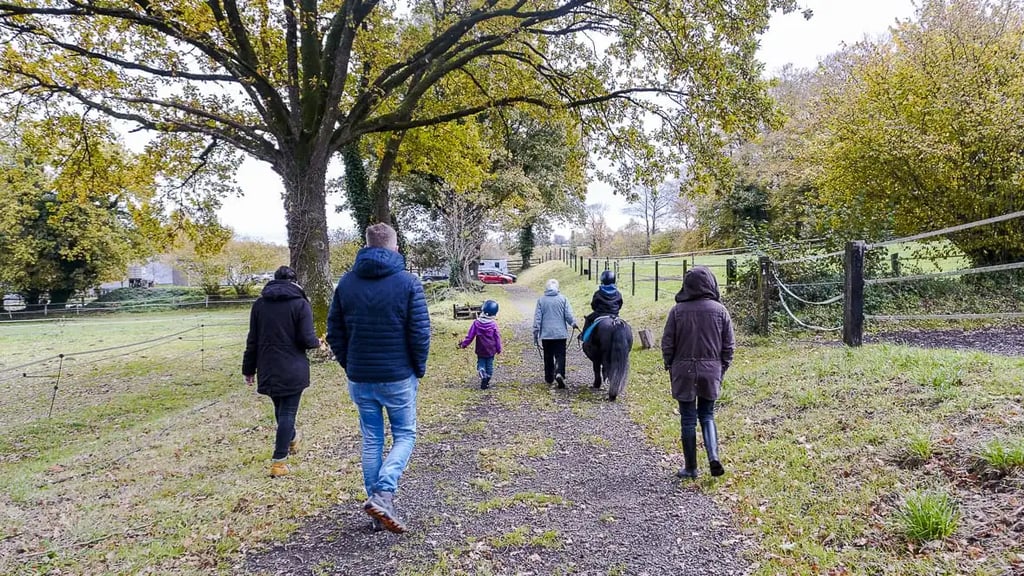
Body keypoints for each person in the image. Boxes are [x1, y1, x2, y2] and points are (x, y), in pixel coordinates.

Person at [326, 223, 430, 534]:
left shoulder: (346, 283)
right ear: (395, 247)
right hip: (398, 375)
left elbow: (335, 332)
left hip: (361, 376)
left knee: (372, 439)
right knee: (405, 435)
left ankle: (376, 511)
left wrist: (350, 364)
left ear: (368, 246)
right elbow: (420, 334)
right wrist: (417, 368)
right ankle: (384, 494)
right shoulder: (408, 283)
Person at [242, 265, 320, 478]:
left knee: (280, 409)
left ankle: (292, 439)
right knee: (286, 413)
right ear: (295, 282)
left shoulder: (259, 304)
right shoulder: (301, 304)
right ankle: (279, 461)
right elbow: (306, 339)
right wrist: (318, 342)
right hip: (292, 366)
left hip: (267, 365)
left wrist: (248, 369)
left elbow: (252, 339)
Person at [661, 266, 735, 480]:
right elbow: (729, 346)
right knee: (708, 415)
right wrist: (721, 369)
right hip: (711, 370)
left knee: (687, 420)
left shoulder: (677, 311)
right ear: (711, 283)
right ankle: (713, 457)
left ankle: (691, 468)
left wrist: (670, 365)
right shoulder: (720, 311)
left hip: (683, 370)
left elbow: (668, 343)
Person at [533, 279, 577, 388]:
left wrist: (535, 332)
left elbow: (537, 319)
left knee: (548, 356)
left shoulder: (541, 300)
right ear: (557, 288)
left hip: (546, 335)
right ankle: (559, 373)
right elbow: (568, 315)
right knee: (560, 355)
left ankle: (549, 378)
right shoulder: (563, 299)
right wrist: (573, 323)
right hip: (560, 334)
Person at [458, 299, 503, 389]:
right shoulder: (493, 325)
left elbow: (470, 336)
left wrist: (464, 344)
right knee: (489, 365)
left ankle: (482, 372)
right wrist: (498, 348)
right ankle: (487, 379)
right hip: (491, 349)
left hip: (480, 348)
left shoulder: (476, 323)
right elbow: (497, 337)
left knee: (481, 362)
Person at [581, 269, 623, 340]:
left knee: (588, 319)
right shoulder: (618, 293)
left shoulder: (598, 293)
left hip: (600, 314)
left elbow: (593, 305)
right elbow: (620, 304)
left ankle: (583, 336)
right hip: (614, 315)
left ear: (602, 280)